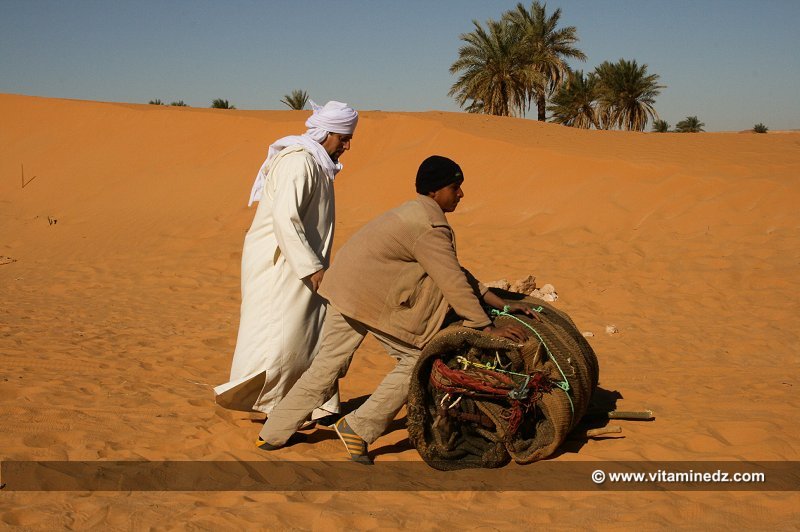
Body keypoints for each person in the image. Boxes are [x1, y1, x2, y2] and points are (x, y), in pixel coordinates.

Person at [256, 155, 535, 463]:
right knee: (418, 361)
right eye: (454, 188)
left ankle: (273, 432)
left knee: (326, 365)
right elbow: (452, 280)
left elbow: (453, 270)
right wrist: (485, 326)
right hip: (366, 299)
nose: (461, 194)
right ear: (435, 191)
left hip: (344, 290)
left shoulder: (416, 213)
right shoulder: (429, 226)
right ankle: (358, 428)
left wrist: (500, 302)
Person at [213, 100, 359, 424]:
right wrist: (313, 268)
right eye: (343, 138)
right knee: (282, 340)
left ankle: (309, 405)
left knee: (307, 336)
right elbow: (285, 219)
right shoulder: (299, 162)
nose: (347, 146)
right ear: (326, 133)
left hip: (303, 264)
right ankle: (274, 409)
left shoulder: (317, 163)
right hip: (281, 265)